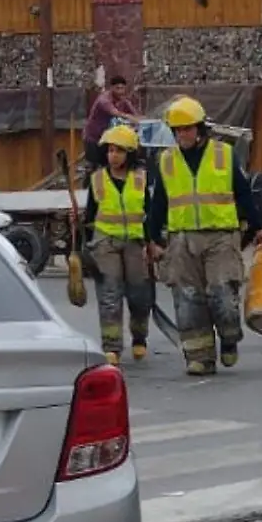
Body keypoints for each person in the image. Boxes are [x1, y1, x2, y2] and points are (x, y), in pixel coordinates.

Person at [144, 95, 262, 377]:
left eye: (187, 129)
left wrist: (259, 226)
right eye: (177, 130)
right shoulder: (166, 161)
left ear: (200, 129)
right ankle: (200, 357)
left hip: (220, 239)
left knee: (222, 295)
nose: (182, 135)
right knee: (188, 300)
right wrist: (152, 239)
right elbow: (159, 204)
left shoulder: (224, 154)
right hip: (181, 241)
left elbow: (243, 194)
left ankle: (229, 337)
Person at [79, 124, 152, 366]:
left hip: (135, 243)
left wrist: (154, 243)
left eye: (119, 151)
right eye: (110, 151)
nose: (113, 156)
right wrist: (84, 240)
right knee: (110, 294)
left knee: (139, 295)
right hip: (105, 243)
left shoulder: (140, 179)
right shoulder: (97, 179)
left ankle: (139, 338)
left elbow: (150, 213)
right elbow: (90, 215)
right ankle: (112, 347)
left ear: (129, 153)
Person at [82, 75, 138, 173]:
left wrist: (138, 120)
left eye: (122, 88)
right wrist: (128, 117)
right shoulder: (104, 100)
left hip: (107, 140)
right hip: (94, 138)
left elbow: (135, 115)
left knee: (107, 167)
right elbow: (114, 112)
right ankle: (88, 187)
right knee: (94, 168)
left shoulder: (123, 101)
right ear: (111, 88)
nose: (120, 91)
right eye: (117, 88)